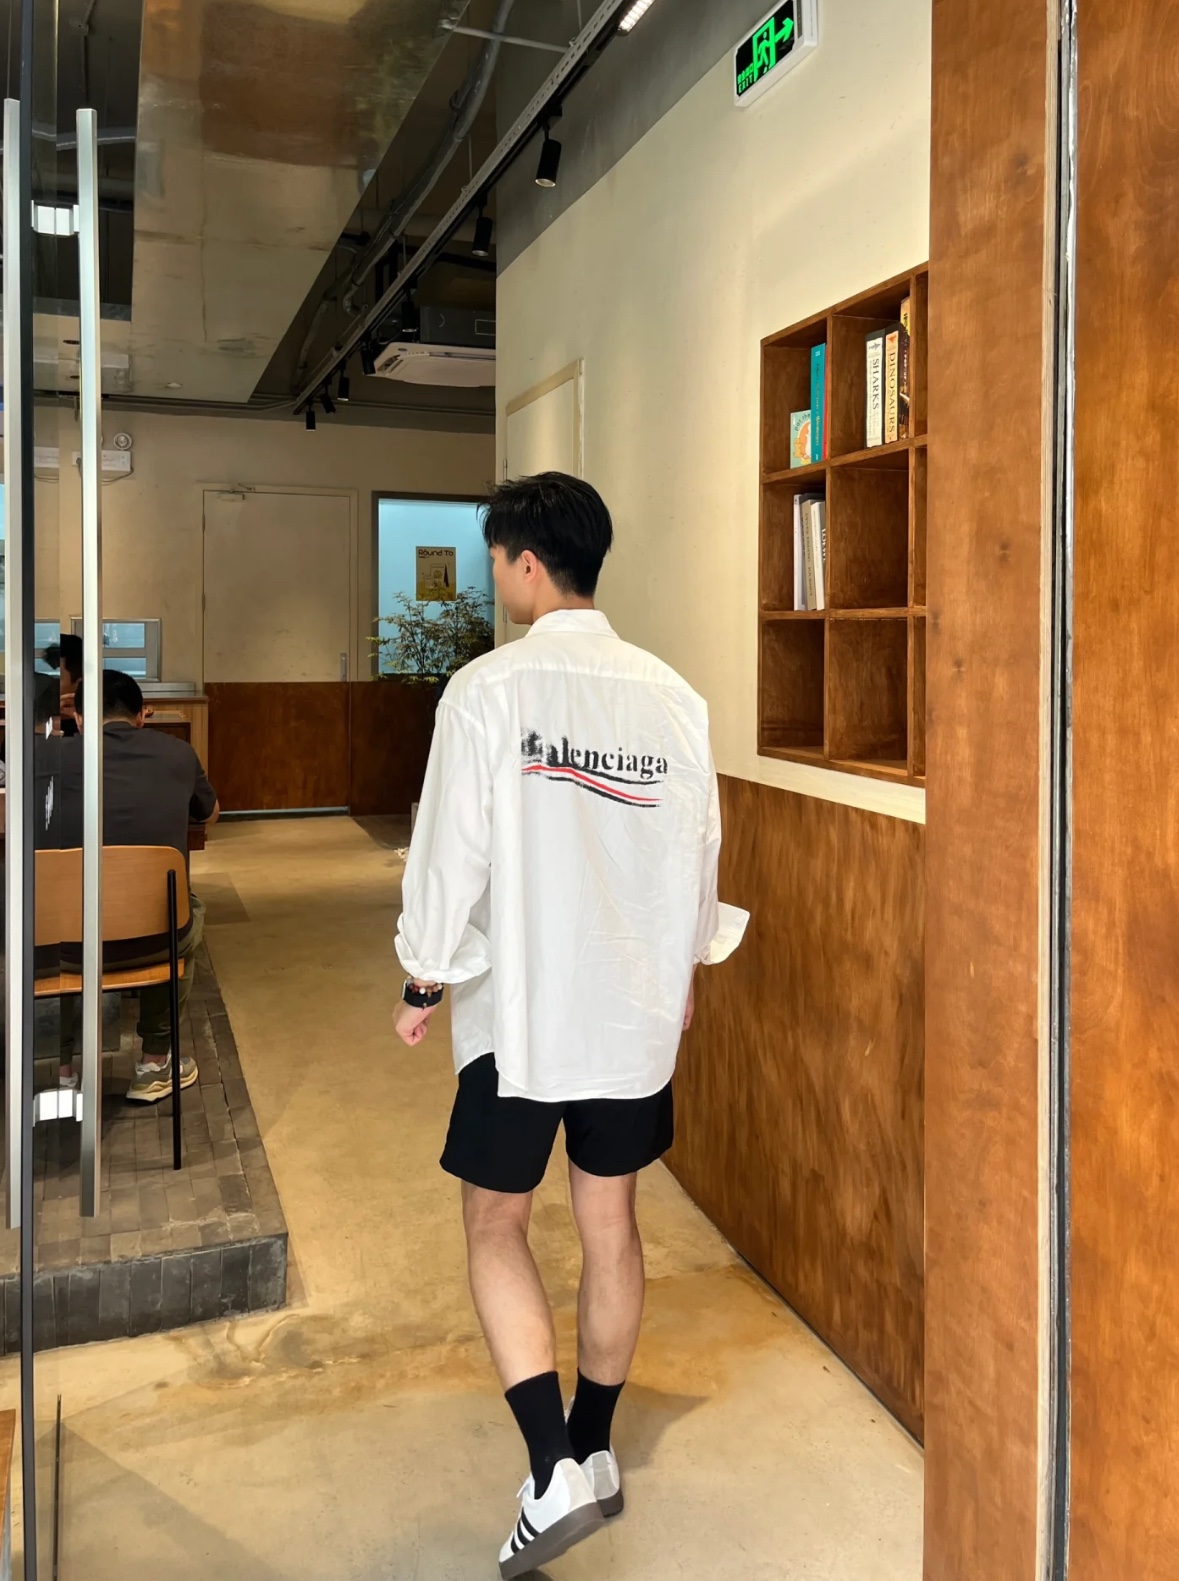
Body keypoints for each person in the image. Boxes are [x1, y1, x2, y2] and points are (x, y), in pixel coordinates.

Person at [392, 473, 746, 1578]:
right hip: (632, 1013)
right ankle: (592, 1448)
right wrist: (686, 967)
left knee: (496, 1223)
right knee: (611, 1224)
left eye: (499, 558)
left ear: (528, 563)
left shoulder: (488, 690)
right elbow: (699, 847)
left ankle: (550, 1470)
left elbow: (449, 850)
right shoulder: (671, 696)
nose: (498, 575)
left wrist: (423, 976)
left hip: (522, 1017)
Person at [61, 669, 219, 1102]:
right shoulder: (178, 753)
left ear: (78, 717)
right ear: (141, 715)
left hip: (64, 946)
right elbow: (209, 813)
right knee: (183, 910)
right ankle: (154, 1063)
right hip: (153, 941)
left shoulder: (49, 758)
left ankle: (63, 1070)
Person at [43, 633, 84, 734]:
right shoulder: (37, 715)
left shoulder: (92, 726)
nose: (49, 683)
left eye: (58, 677)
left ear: (79, 683)